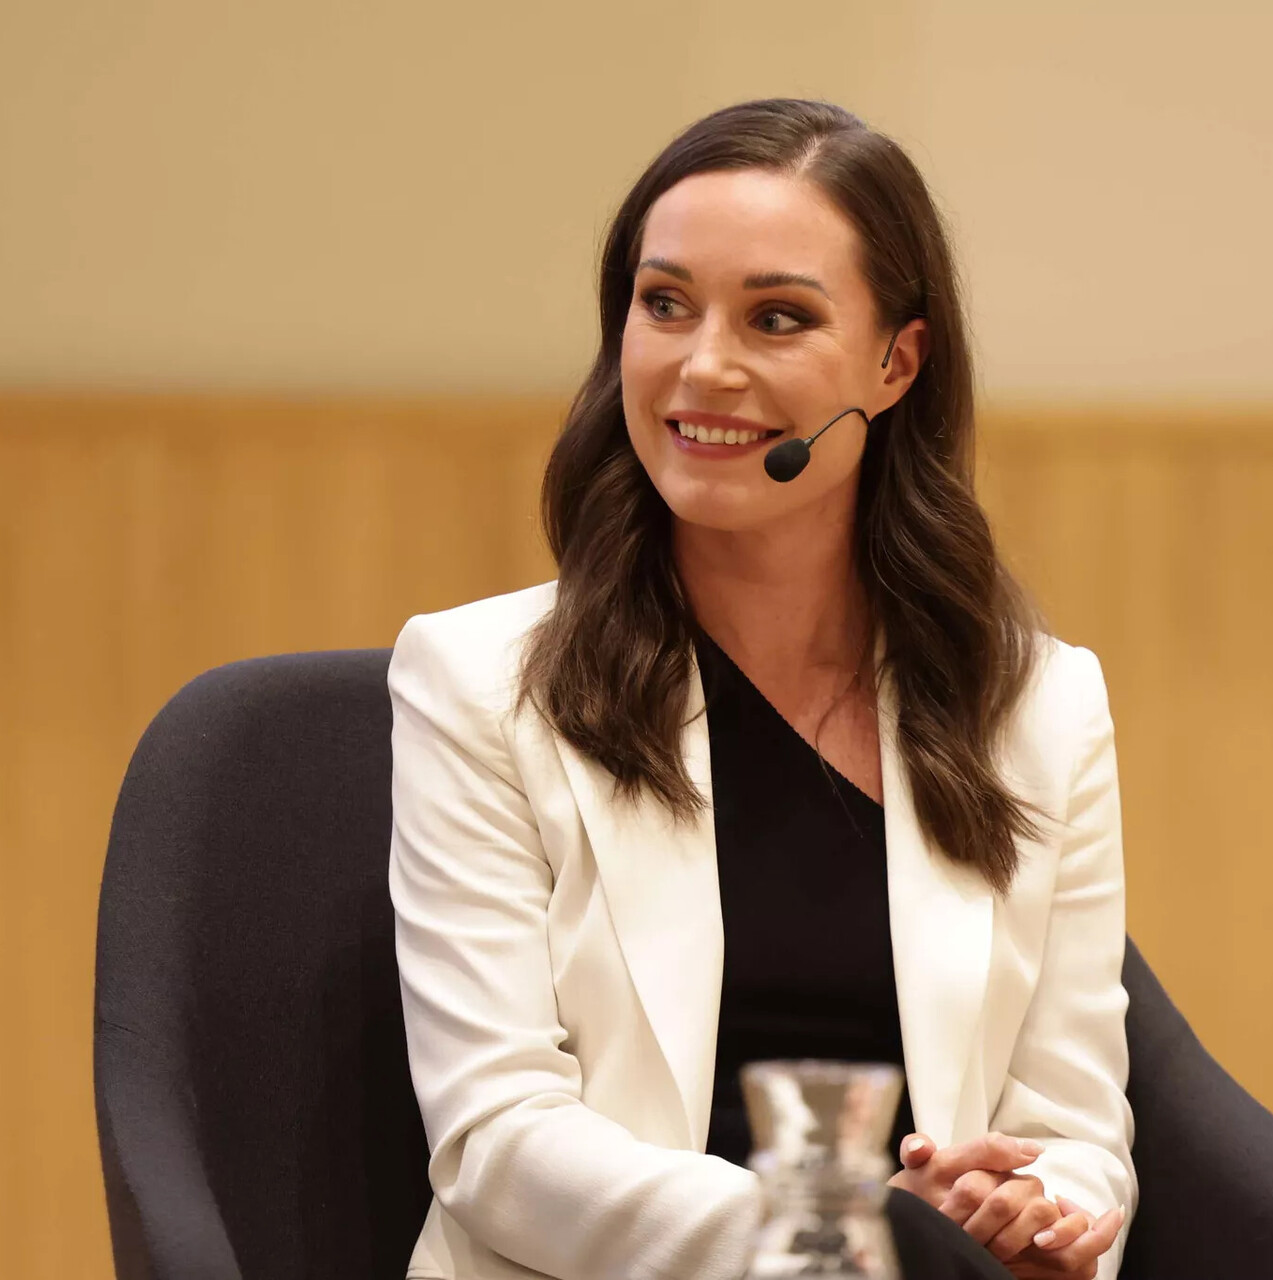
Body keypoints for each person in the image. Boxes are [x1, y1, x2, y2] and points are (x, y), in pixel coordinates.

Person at [388, 98, 1135, 1280]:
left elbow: (1074, 1124)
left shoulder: (1040, 707)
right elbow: (498, 1140)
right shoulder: (478, 682)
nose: (704, 366)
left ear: (896, 363)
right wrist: (842, 1235)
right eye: (664, 304)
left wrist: (1038, 1212)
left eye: (777, 317)